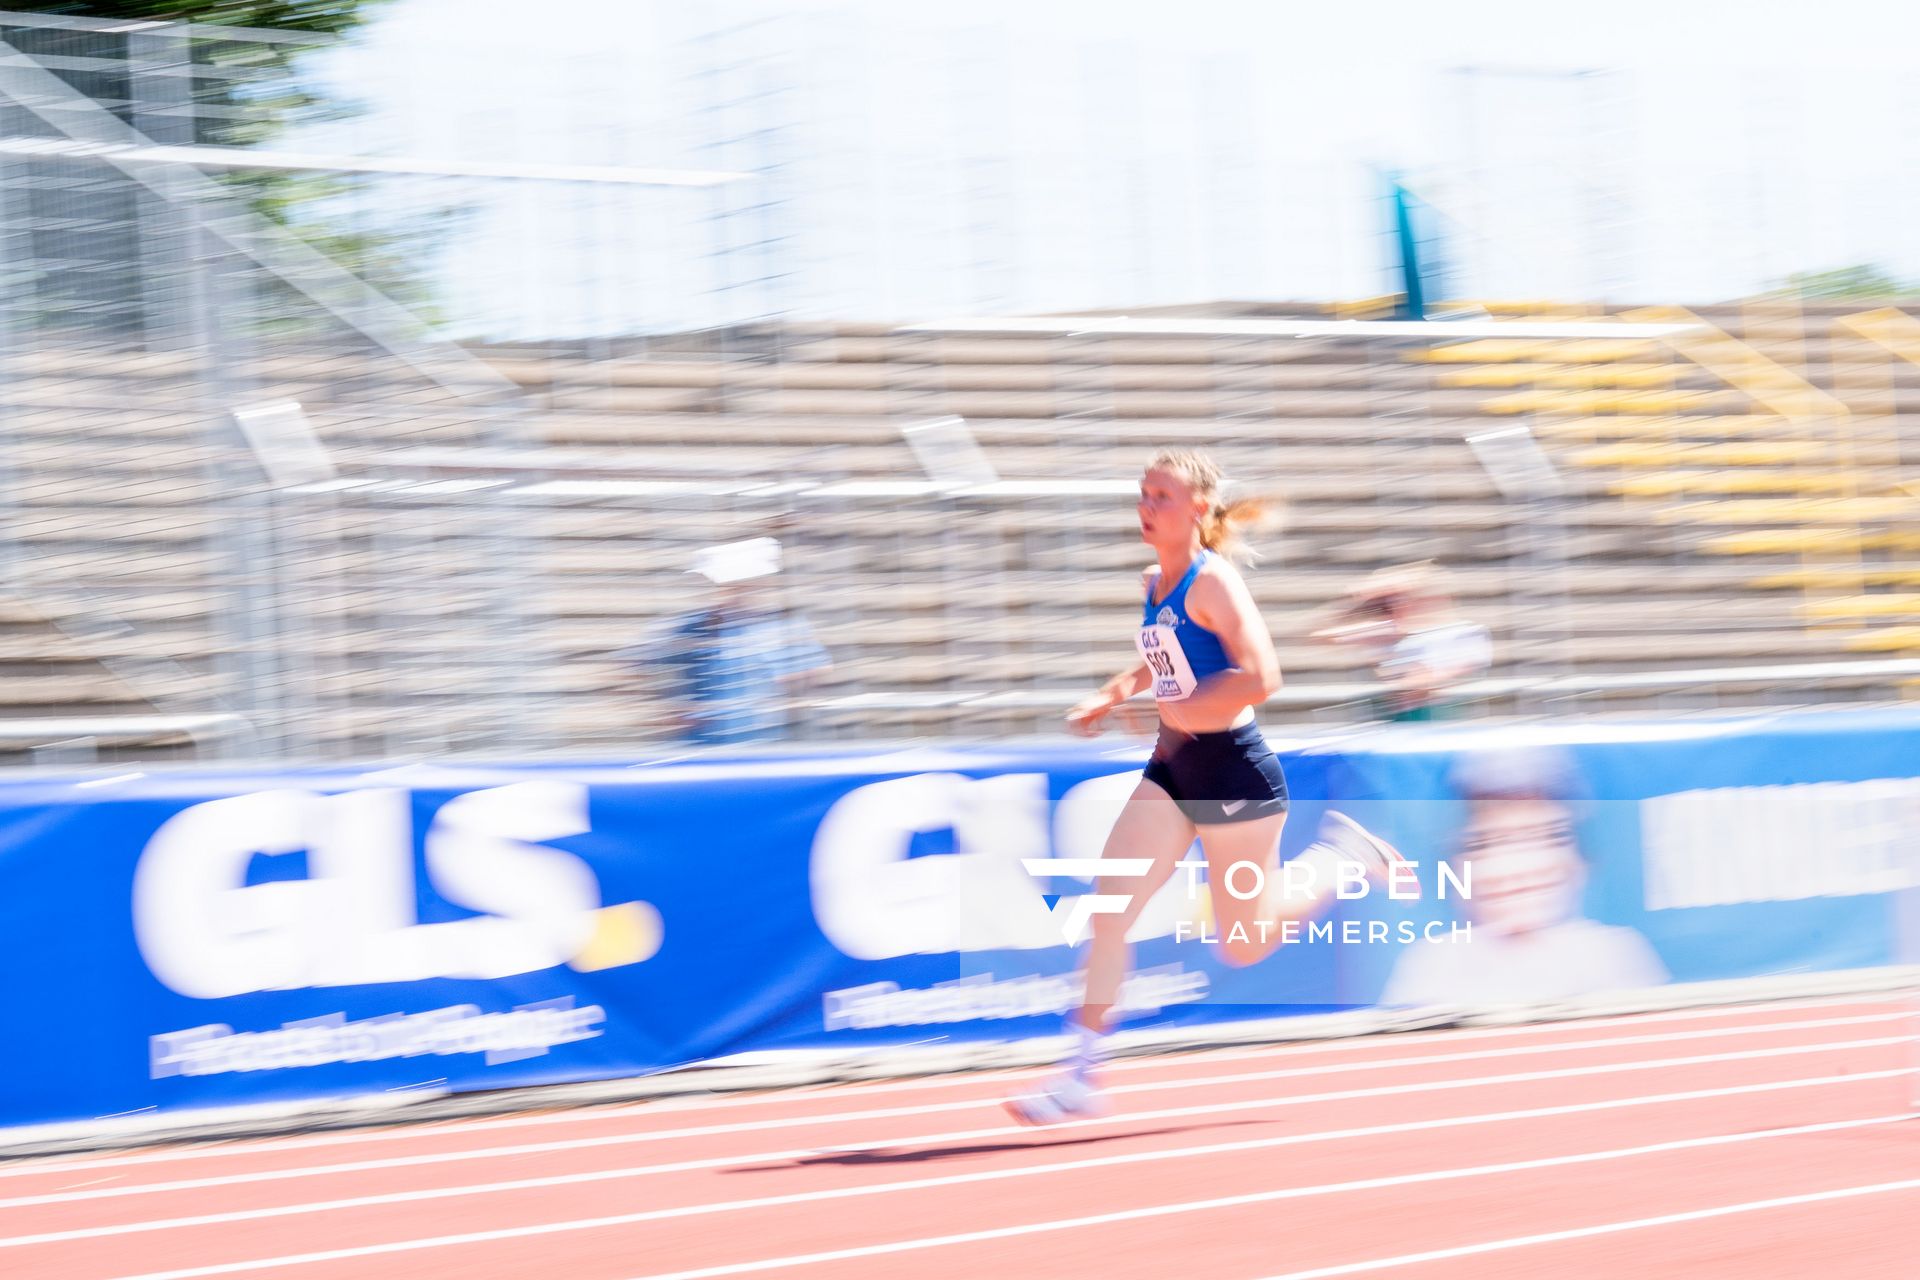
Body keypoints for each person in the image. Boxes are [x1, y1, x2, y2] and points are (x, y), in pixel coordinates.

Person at [1004, 448, 1412, 1125]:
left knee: (1242, 944)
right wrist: (1114, 693)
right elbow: (1164, 652)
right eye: (1142, 495)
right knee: (1108, 911)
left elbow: (1261, 676)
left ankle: (1342, 861)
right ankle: (1078, 1077)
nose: (1146, 507)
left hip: (1231, 772)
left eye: (1161, 497)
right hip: (1171, 769)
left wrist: (1185, 713)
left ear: (1197, 507)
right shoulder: (1154, 581)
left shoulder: (1214, 581)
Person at [1381, 745, 1669, 1008]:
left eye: (1543, 838)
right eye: (1487, 842)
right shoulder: (1432, 964)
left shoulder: (1611, 955)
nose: (1515, 865)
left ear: (1578, 862)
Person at [628, 536, 830, 747]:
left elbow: (814, 674)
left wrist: (786, 699)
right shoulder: (690, 627)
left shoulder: (783, 626)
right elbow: (633, 666)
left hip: (761, 748)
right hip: (697, 750)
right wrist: (667, 711)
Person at [1311, 562, 1490, 722]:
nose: (1398, 604)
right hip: (1395, 723)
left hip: (1442, 722)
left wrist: (1412, 681)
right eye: (1392, 600)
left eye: (1404, 597)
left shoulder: (1464, 633)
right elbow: (1322, 636)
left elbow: (1432, 679)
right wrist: (1359, 599)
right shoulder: (1387, 631)